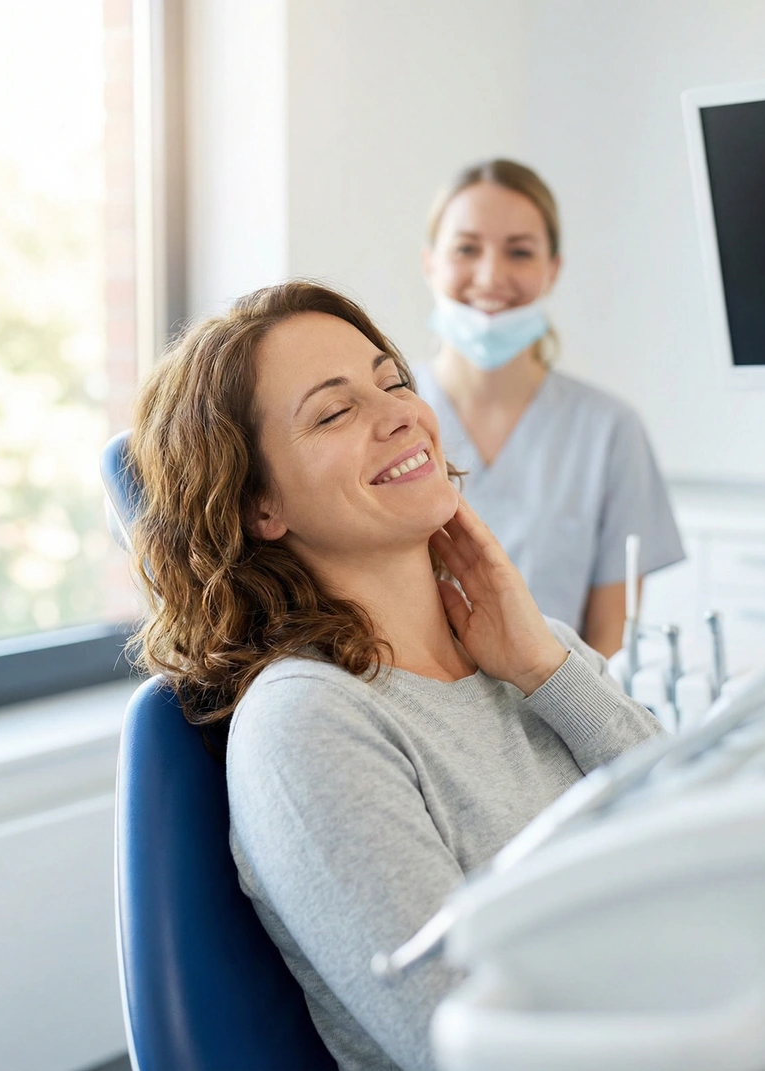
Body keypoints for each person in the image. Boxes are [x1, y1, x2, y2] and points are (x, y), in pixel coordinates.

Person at [129, 280, 665, 1071]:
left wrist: (548, 670)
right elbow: (480, 1047)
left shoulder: (535, 652)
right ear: (261, 504)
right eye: (334, 411)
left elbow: (699, 831)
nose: (399, 415)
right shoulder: (307, 723)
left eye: (394, 380)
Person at [418, 158, 685, 657]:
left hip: (556, 720)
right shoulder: (390, 420)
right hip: (411, 723)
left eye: (519, 251)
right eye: (466, 248)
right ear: (430, 261)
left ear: (552, 270)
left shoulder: (608, 430)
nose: (491, 274)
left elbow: (611, 643)